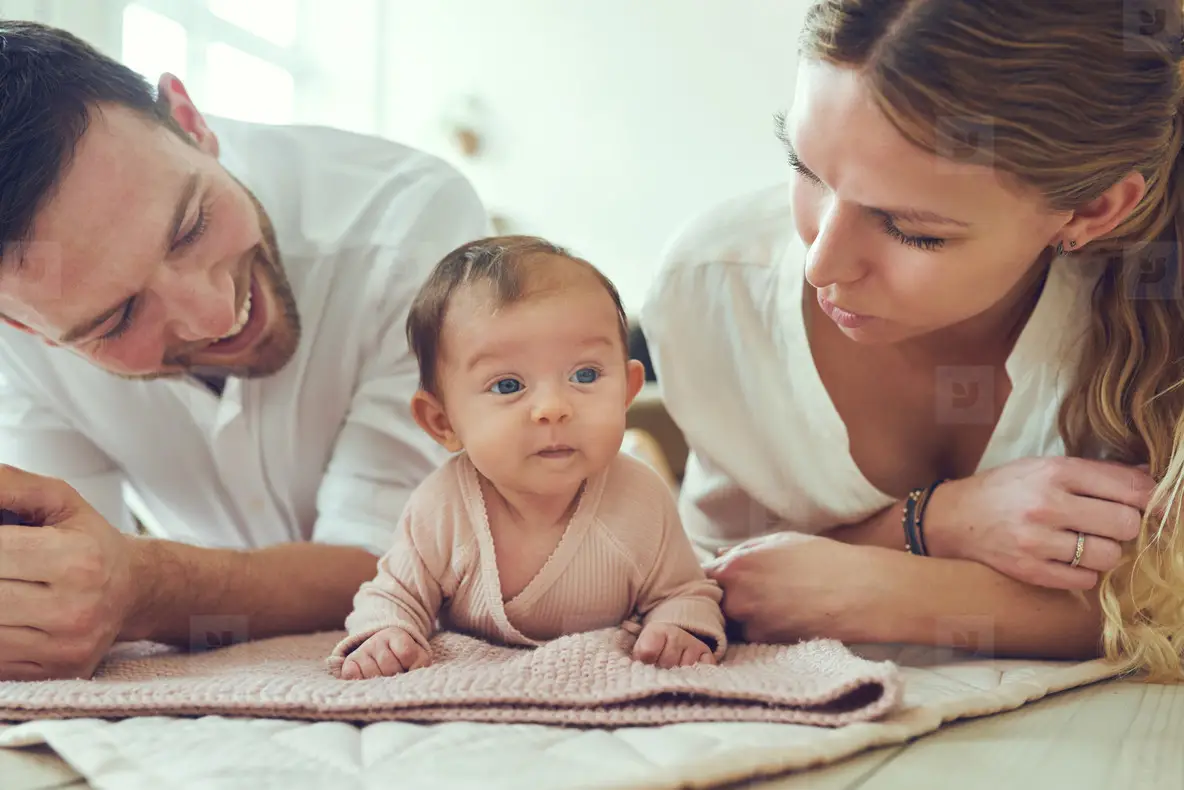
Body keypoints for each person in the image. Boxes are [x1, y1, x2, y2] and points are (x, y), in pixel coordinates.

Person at [640, 0, 1184, 682]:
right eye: (806, 170)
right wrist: (940, 522)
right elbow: (719, 592)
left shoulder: (1157, 311)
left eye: (912, 229)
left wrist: (888, 590)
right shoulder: (714, 290)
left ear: (1092, 211)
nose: (823, 266)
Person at [0, 21, 488, 681]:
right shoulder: (21, 333)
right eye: (117, 318)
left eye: (191, 226)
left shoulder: (407, 221)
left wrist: (144, 586)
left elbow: (396, 563)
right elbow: (62, 566)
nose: (217, 315)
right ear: (21, 327)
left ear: (190, 120)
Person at [327, 236, 726, 680]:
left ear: (627, 392)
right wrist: (385, 634)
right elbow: (393, 595)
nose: (553, 407)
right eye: (507, 386)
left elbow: (686, 590)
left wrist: (678, 626)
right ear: (443, 422)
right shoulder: (442, 508)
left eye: (585, 375)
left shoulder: (640, 500)